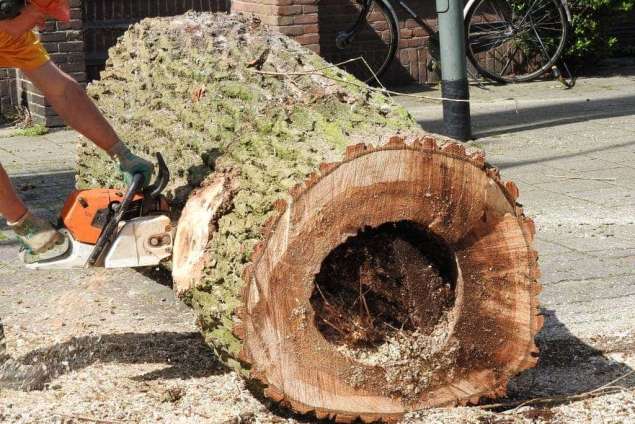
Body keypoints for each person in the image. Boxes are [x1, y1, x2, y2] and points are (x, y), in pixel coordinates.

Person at [0, 1, 153, 262]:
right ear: (10, 7)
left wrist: (120, 152)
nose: (42, 24)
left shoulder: (15, 38)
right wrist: (22, 222)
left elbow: (63, 92)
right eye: (40, 15)